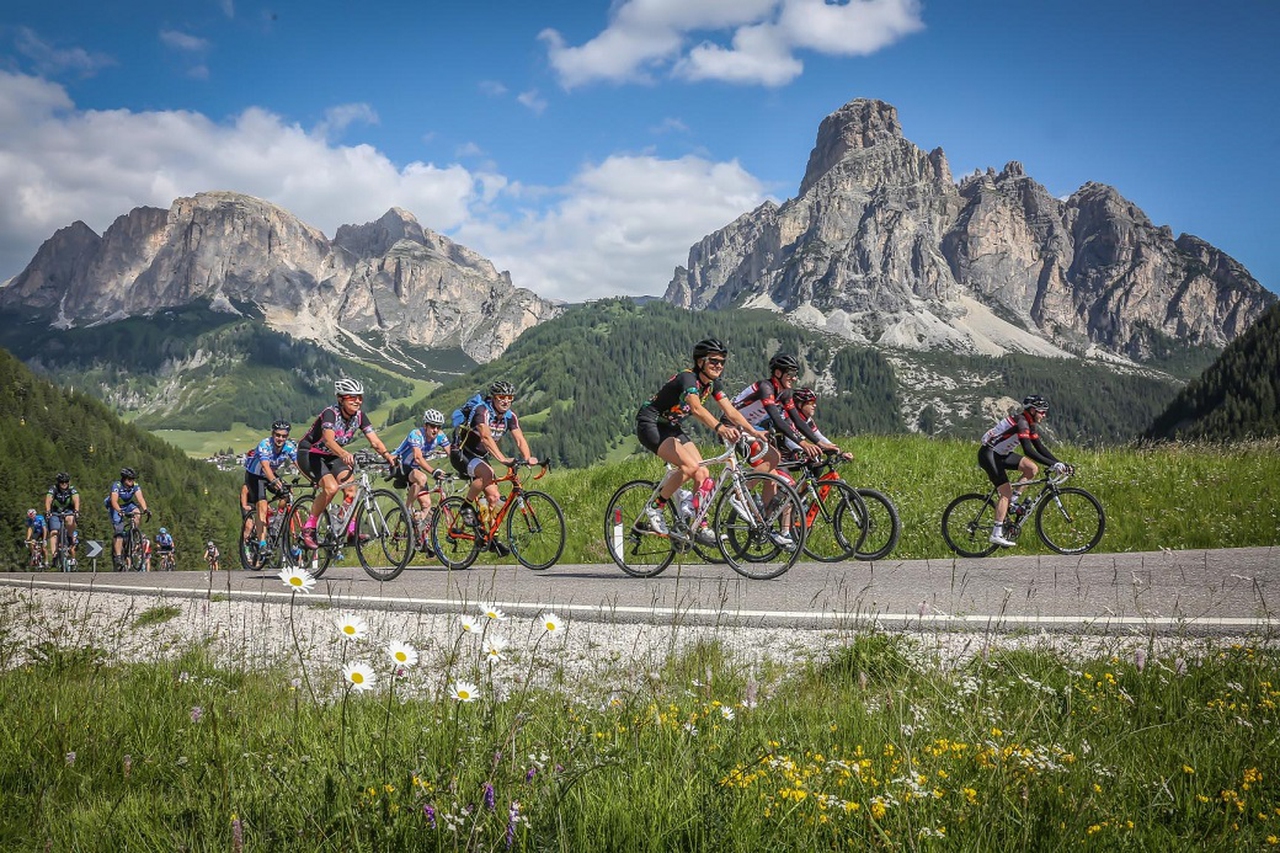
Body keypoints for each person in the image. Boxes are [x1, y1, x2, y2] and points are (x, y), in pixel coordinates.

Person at [634, 338, 769, 546]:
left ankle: (698, 524)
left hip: (670, 426)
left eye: (722, 362)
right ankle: (655, 507)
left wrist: (753, 431)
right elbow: (696, 409)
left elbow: (730, 410)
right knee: (689, 467)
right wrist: (720, 428)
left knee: (703, 472)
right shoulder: (688, 378)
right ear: (700, 362)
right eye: (714, 361)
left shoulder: (713, 384)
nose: (719, 366)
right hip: (650, 423)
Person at [727, 353, 824, 549]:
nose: (794, 378)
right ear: (777, 373)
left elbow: (797, 421)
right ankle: (738, 495)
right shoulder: (765, 387)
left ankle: (767, 525)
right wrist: (802, 443)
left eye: (796, 374)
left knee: (772, 476)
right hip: (733, 427)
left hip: (752, 430)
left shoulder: (785, 393)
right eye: (790, 374)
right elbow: (778, 421)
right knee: (774, 457)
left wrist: (820, 443)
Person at [296, 379, 399, 550]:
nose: (357, 401)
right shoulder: (330, 414)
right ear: (341, 399)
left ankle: (349, 530)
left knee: (351, 489)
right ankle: (309, 528)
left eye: (360, 397)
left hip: (332, 456)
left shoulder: (359, 416)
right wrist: (344, 454)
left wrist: (388, 456)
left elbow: (374, 441)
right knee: (331, 488)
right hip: (310, 453)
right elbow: (329, 441)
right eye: (352, 397)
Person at [449, 381, 537, 544]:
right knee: (487, 473)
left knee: (495, 497)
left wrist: (528, 457)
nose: (506, 401)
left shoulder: (510, 416)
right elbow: (486, 437)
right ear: (493, 398)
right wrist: (502, 459)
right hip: (461, 452)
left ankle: (489, 537)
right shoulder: (481, 411)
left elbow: (519, 439)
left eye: (510, 397)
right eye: (502, 397)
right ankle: (466, 507)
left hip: (480, 456)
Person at [978, 394, 1072, 548]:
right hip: (988, 455)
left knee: (1032, 469)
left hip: (1000, 454)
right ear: (1033, 410)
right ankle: (996, 533)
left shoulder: (1029, 423)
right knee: (1005, 492)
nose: (1044, 415)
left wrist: (1059, 463)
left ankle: (1013, 503)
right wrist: (1053, 465)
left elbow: (1039, 447)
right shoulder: (1022, 423)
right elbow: (1028, 450)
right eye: (1042, 411)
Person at [393, 408, 451, 547]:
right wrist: (434, 471)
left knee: (426, 505)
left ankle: (418, 534)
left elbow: (451, 454)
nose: (435, 430)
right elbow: (418, 458)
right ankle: (407, 509)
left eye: (438, 426)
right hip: (400, 465)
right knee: (422, 478)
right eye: (432, 426)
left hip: (415, 470)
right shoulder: (416, 434)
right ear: (425, 425)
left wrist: (463, 467)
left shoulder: (441, 436)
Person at [244, 420, 299, 554]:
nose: (280, 439)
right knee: (262, 505)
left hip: (270, 475)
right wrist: (274, 480)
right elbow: (265, 467)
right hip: (255, 476)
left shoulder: (289, 447)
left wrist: (313, 479)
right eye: (278, 435)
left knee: (286, 495)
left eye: (284, 436)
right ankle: (262, 543)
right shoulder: (265, 445)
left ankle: (275, 525)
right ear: (272, 434)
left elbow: (299, 464)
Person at [786, 388, 855, 462]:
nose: (815, 405)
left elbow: (818, 437)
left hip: (797, 452)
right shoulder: (789, 420)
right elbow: (789, 440)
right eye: (811, 402)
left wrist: (839, 452)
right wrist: (800, 451)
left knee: (818, 464)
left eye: (815, 402)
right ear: (800, 405)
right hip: (785, 456)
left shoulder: (808, 420)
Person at [104, 467, 149, 570]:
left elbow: (140, 498)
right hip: (115, 506)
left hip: (128, 504)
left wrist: (145, 509)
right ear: (124, 479)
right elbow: (114, 501)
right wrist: (120, 511)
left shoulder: (135, 486)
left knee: (137, 513)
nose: (132, 481)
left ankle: (132, 533)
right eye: (130, 479)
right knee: (119, 531)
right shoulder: (117, 486)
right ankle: (118, 556)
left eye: (133, 479)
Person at [45, 472, 81, 568]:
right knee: (54, 532)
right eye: (62, 482)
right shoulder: (53, 489)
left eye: (66, 482)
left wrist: (76, 511)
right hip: (55, 512)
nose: (64, 484)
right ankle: (54, 555)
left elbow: (76, 499)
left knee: (70, 520)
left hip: (68, 510)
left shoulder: (72, 489)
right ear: (58, 482)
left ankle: (69, 537)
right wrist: (48, 511)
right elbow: (48, 499)